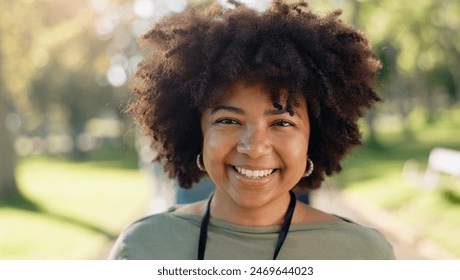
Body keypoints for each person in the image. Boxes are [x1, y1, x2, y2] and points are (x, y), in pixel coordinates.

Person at [110, 0, 395, 260]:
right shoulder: (143, 248)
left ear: (314, 137)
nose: (254, 146)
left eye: (282, 123)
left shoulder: (362, 255)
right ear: (198, 133)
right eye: (228, 121)